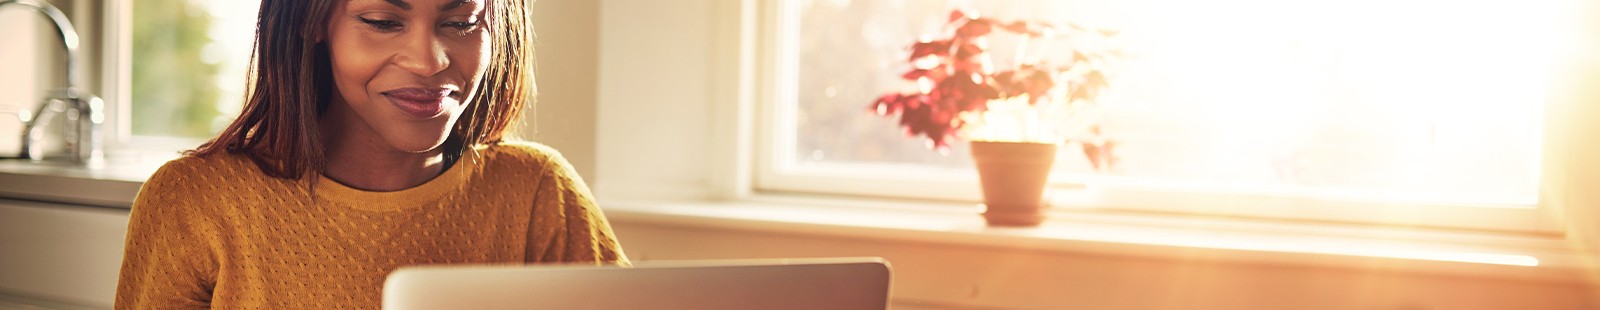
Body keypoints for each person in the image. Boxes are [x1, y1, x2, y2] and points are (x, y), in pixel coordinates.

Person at [114, 0, 628, 308]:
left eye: (461, 22)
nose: (429, 62)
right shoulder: (194, 200)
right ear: (312, 21)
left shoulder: (537, 190)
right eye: (382, 21)